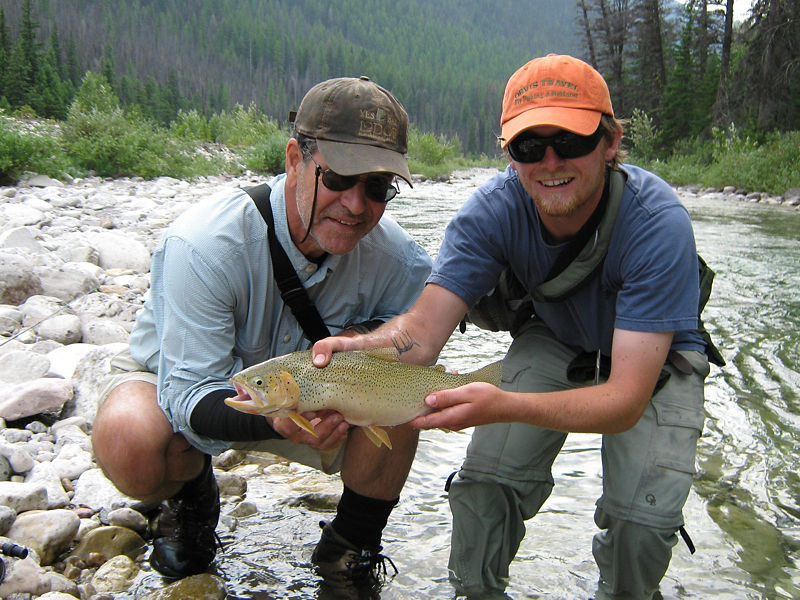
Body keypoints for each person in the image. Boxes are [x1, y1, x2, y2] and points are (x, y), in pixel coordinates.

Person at [312, 55, 721, 599]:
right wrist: (358, 352)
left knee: (641, 523)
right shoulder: (490, 212)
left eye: (571, 141)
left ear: (610, 142)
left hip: (656, 359)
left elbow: (623, 401)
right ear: (508, 153)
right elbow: (423, 332)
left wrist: (502, 405)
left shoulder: (658, 223)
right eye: (530, 147)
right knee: (484, 489)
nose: (550, 162)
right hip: (554, 337)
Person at [91, 76, 432, 589]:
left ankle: (351, 546)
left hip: (309, 395)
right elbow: (186, 392)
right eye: (338, 177)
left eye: (378, 187)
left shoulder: (401, 261)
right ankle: (192, 500)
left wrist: (378, 349)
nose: (357, 205)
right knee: (127, 438)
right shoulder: (203, 245)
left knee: (407, 397)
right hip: (183, 380)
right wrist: (277, 422)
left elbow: (425, 339)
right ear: (295, 159)